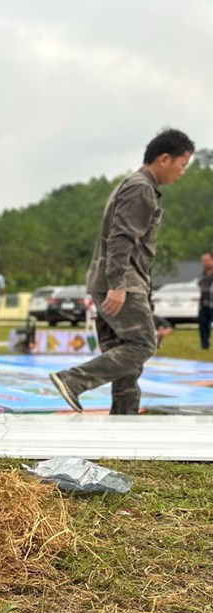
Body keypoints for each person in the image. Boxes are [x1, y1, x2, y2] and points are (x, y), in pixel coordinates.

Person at [50, 128, 194, 414]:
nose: (182, 172)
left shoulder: (133, 184)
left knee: (126, 353)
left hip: (112, 280)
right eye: (182, 165)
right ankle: (73, 380)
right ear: (164, 159)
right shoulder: (140, 187)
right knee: (142, 345)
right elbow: (122, 237)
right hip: (122, 281)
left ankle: (124, 416)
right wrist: (117, 284)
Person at [199, 251, 213, 350]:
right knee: (203, 324)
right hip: (204, 303)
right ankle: (204, 345)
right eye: (202, 261)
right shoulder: (202, 275)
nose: (204, 263)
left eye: (206, 260)